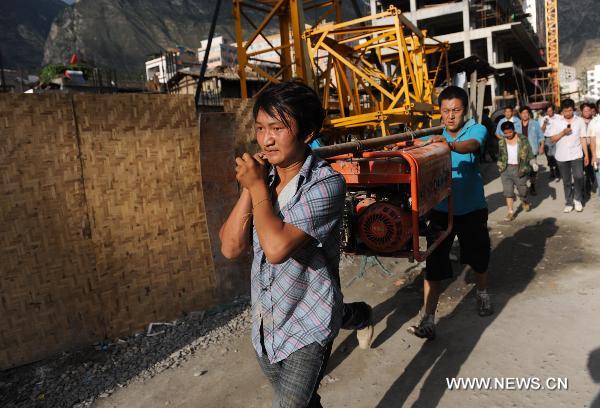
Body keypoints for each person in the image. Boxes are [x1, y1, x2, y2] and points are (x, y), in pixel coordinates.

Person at [219, 80, 372, 407]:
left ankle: (352, 315)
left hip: (309, 321)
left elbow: (275, 250)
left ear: (307, 133)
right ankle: (358, 315)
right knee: (304, 402)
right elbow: (231, 248)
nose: (266, 139)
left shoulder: (326, 184)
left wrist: (257, 186)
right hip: (267, 323)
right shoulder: (264, 179)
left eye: (277, 127)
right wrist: (251, 187)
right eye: (260, 128)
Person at [408, 86, 492, 341]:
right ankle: (429, 318)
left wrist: (450, 144)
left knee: (478, 257)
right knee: (434, 264)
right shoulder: (434, 136)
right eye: (446, 111)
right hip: (441, 210)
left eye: (455, 110)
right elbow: (414, 145)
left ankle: (482, 293)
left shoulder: (476, 129)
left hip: (471, 208)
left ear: (464, 110)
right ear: (440, 113)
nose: (450, 116)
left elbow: (471, 145)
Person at [550, 98, 589, 213]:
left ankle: (577, 199)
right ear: (561, 111)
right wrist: (563, 132)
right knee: (566, 181)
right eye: (565, 111)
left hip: (577, 154)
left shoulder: (580, 121)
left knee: (579, 176)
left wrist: (586, 155)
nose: (568, 113)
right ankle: (569, 202)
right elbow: (552, 139)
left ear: (573, 109)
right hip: (562, 156)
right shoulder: (556, 122)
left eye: (570, 110)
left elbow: (582, 138)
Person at [497, 121, 534, 221]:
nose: (508, 135)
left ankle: (524, 200)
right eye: (505, 133)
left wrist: (533, 162)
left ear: (513, 130)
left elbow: (529, 152)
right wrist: (499, 165)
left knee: (523, 190)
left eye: (510, 132)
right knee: (508, 191)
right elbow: (500, 155)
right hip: (506, 169)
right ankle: (510, 212)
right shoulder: (501, 142)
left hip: (520, 168)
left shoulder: (522, 139)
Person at [519, 106, 545, 195]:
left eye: (526, 113)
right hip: (520, 151)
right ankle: (523, 185)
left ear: (529, 114)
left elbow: (541, 135)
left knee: (533, 169)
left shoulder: (535, 123)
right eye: (523, 113)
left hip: (532, 149)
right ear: (520, 114)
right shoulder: (516, 125)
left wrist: (542, 146)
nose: (525, 115)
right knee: (523, 169)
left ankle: (533, 185)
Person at [540, 104, 561, 180]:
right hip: (548, 139)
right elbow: (541, 130)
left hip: (557, 138)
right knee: (549, 156)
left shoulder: (559, 117)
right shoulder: (544, 119)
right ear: (546, 112)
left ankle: (558, 171)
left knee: (557, 155)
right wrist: (545, 123)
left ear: (553, 110)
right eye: (548, 111)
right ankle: (552, 170)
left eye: (551, 110)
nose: (550, 112)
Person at [580, 102, 596, 197]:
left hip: (593, 148)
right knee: (582, 169)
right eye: (584, 110)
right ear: (581, 111)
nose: (587, 112)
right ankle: (583, 187)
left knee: (591, 168)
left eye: (588, 110)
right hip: (581, 149)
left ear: (591, 111)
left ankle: (589, 184)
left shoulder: (595, 121)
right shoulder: (578, 121)